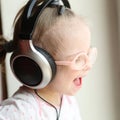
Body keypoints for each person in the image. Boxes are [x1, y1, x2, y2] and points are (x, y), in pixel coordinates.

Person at [0, 0, 97, 120]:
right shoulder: (20, 111)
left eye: (88, 53)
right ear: (39, 63)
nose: (88, 65)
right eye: (78, 60)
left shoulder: (68, 101)